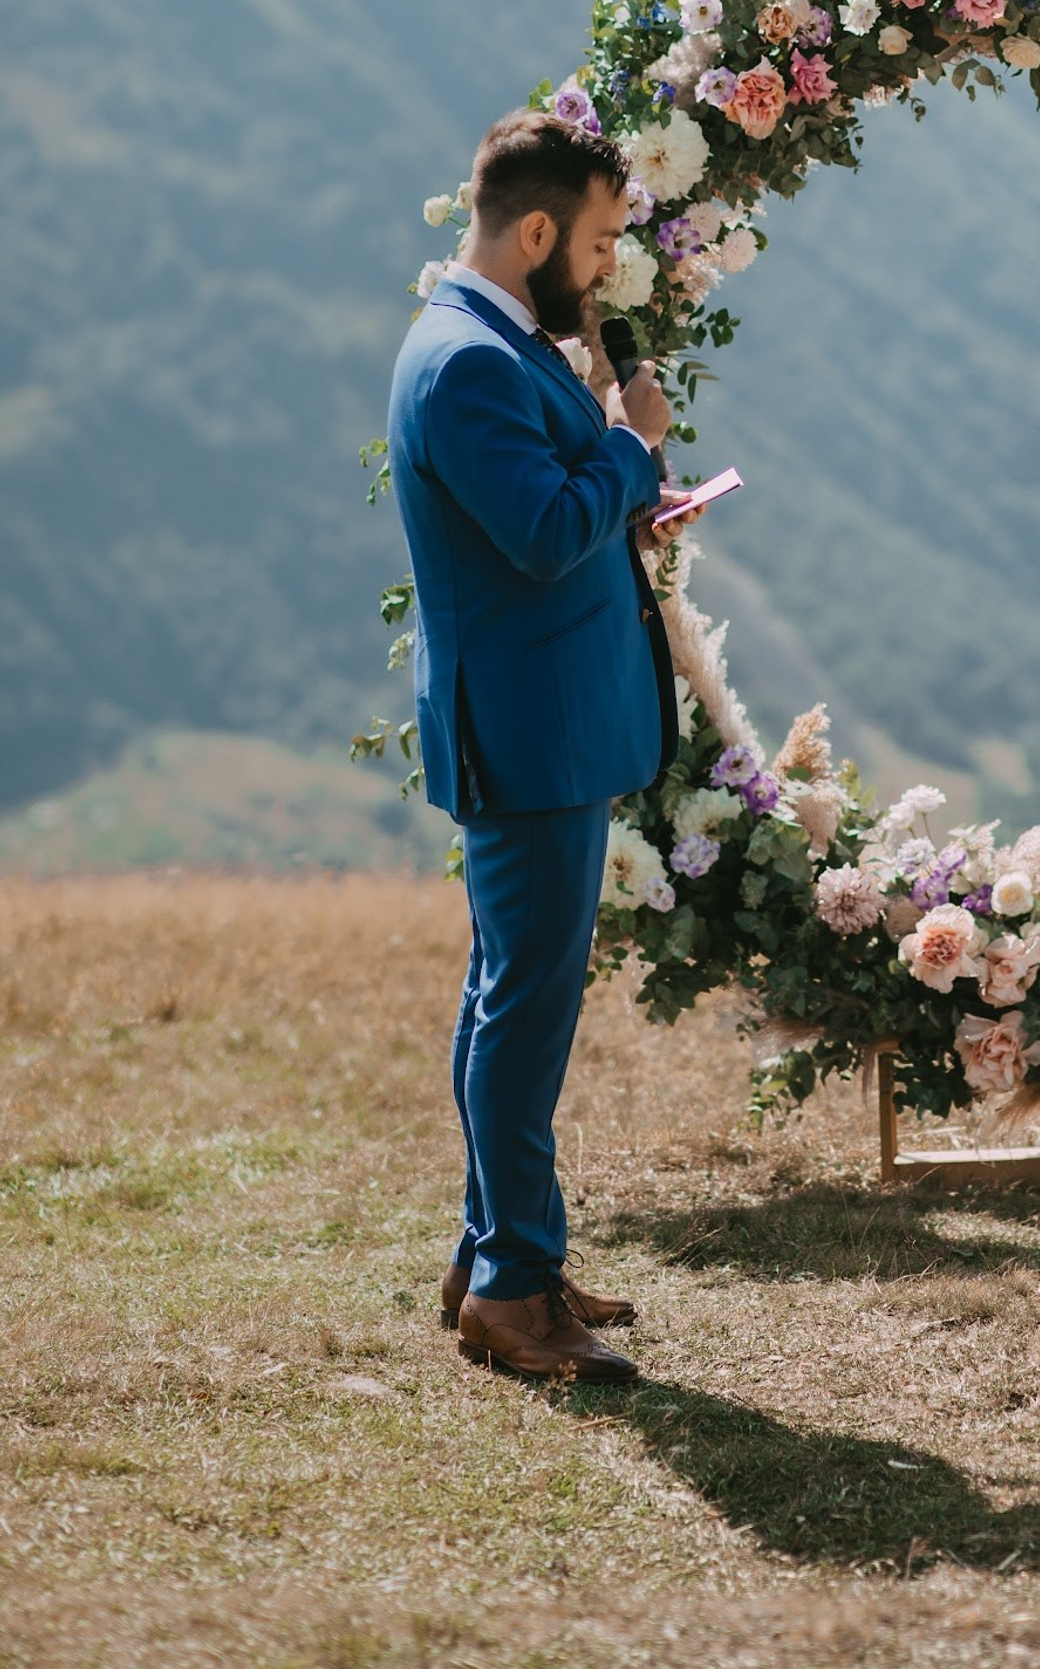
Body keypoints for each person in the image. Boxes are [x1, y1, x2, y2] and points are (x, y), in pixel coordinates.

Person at [388, 108, 681, 1386]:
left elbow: (551, 517)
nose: (608, 268)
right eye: (603, 242)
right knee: (525, 1009)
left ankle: (495, 1254)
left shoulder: (500, 339)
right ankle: (513, 1286)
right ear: (542, 233)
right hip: (529, 731)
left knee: (504, 992)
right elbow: (549, 531)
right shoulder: (467, 361)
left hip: (543, 716)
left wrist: (627, 491)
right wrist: (630, 444)